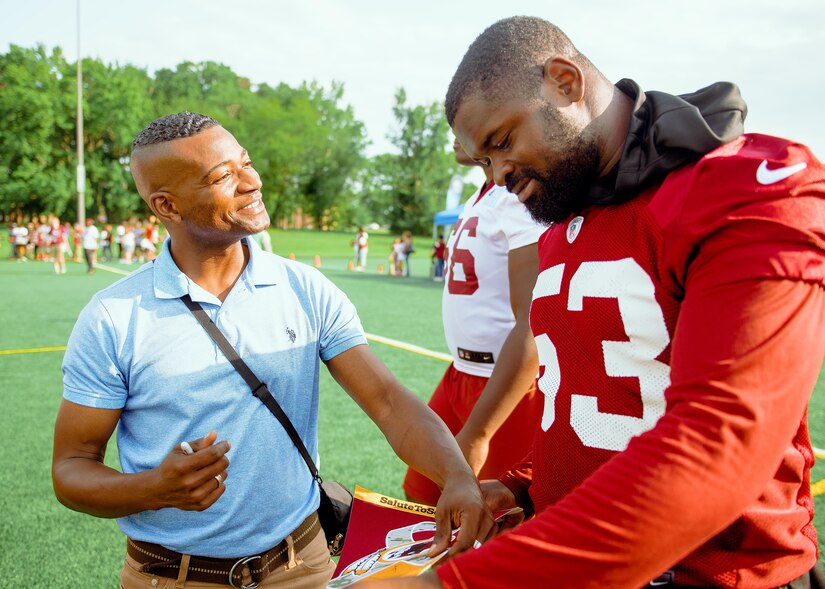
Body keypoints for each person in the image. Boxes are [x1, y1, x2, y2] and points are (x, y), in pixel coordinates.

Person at [359, 15, 825, 589]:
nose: (499, 174)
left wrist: (448, 586)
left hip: (715, 573)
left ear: (565, 82)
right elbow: (595, 406)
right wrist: (526, 486)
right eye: (483, 162)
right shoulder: (562, 225)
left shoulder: (748, 185)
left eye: (501, 142)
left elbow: (718, 444)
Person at [52, 112, 492, 589]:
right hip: (173, 577)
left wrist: (456, 474)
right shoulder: (114, 316)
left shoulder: (305, 288)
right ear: (167, 206)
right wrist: (153, 489)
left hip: (302, 567)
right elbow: (71, 468)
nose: (251, 182)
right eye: (222, 176)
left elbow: (386, 400)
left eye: (246, 163)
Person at [403, 138, 544, 507]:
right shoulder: (481, 194)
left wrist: (481, 432)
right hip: (459, 372)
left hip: (506, 382)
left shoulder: (517, 197)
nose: (454, 131)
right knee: (422, 493)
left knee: (496, 516)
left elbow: (533, 324)